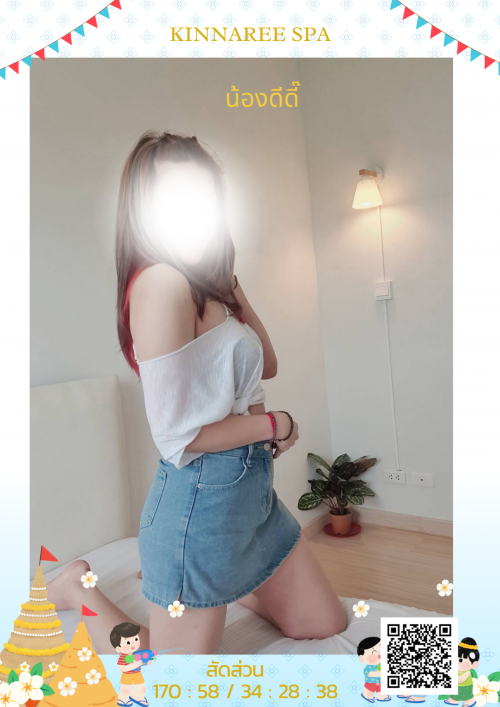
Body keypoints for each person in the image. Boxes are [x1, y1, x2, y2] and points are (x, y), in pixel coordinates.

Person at [47, 130, 346, 654]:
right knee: (174, 681)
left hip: (250, 500)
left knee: (326, 622)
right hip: (200, 510)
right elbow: (177, 436)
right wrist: (274, 424)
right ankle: (78, 588)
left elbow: (267, 364)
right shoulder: (162, 283)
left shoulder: (209, 283)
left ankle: (222, 585)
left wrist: (230, 283)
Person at [111, 622, 151, 707]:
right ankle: (123, 700)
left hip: (137, 674)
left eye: (136, 639)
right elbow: (121, 668)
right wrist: (137, 664)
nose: (133, 644)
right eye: (128, 643)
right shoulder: (123, 657)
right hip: (127, 675)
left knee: (141, 688)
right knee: (126, 689)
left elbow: (144, 663)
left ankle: (137, 696)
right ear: (118, 649)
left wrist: (148, 661)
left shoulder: (137, 654)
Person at [439, 637, 480, 706]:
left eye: (461, 660)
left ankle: (470, 702)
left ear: (474, 665)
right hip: (457, 688)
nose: (458, 662)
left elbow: (460, 680)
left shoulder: (467, 672)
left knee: (467, 697)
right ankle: (453, 700)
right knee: (454, 695)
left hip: (465, 688)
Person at [357, 637, 391, 703]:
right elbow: (375, 674)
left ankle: (381, 696)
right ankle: (366, 695)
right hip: (371, 683)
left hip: (380, 683)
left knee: (381, 690)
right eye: (373, 652)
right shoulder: (368, 668)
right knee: (369, 691)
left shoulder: (379, 665)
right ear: (361, 658)